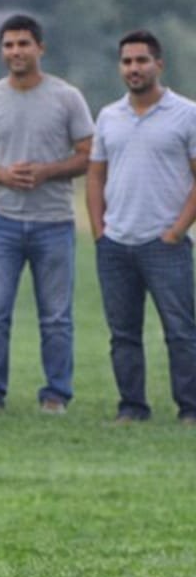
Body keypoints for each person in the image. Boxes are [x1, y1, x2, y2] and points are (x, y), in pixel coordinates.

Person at [0, 14, 94, 414]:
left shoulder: (67, 97)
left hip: (53, 223)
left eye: (23, 44)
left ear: (40, 48)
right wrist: (0, 174)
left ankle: (56, 396)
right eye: (9, 45)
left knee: (55, 317)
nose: (16, 52)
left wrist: (47, 172)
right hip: (1, 222)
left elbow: (88, 155)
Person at [86, 29, 196, 425]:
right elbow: (95, 177)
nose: (134, 68)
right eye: (127, 62)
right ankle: (132, 407)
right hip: (116, 243)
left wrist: (176, 231)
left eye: (141, 60)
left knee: (181, 331)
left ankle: (190, 408)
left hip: (165, 244)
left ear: (158, 65)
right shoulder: (108, 116)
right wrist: (100, 231)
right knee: (123, 334)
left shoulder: (187, 113)